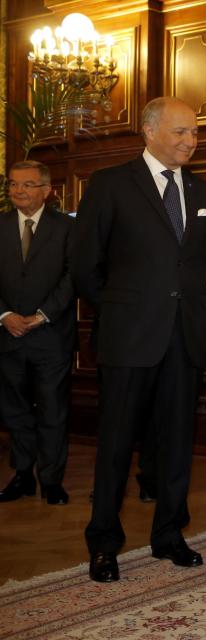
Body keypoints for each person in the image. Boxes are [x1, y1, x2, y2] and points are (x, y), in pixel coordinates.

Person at [72, 96, 206, 583]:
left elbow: (196, 268)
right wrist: (121, 307)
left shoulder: (205, 194)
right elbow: (85, 265)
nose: (189, 141)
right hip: (129, 337)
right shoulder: (111, 185)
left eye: (194, 133)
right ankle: (104, 543)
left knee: (177, 444)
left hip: (184, 338)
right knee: (116, 445)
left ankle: (169, 535)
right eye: (179, 131)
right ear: (149, 131)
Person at [0, 160, 74, 505]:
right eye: (13, 184)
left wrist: (44, 314)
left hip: (50, 335)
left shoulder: (67, 228)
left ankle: (51, 479)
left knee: (52, 409)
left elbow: (74, 277)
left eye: (27, 185)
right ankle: (22, 475)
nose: (18, 191)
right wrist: (4, 314)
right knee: (15, 410)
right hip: (8, 334)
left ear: (46, 190)